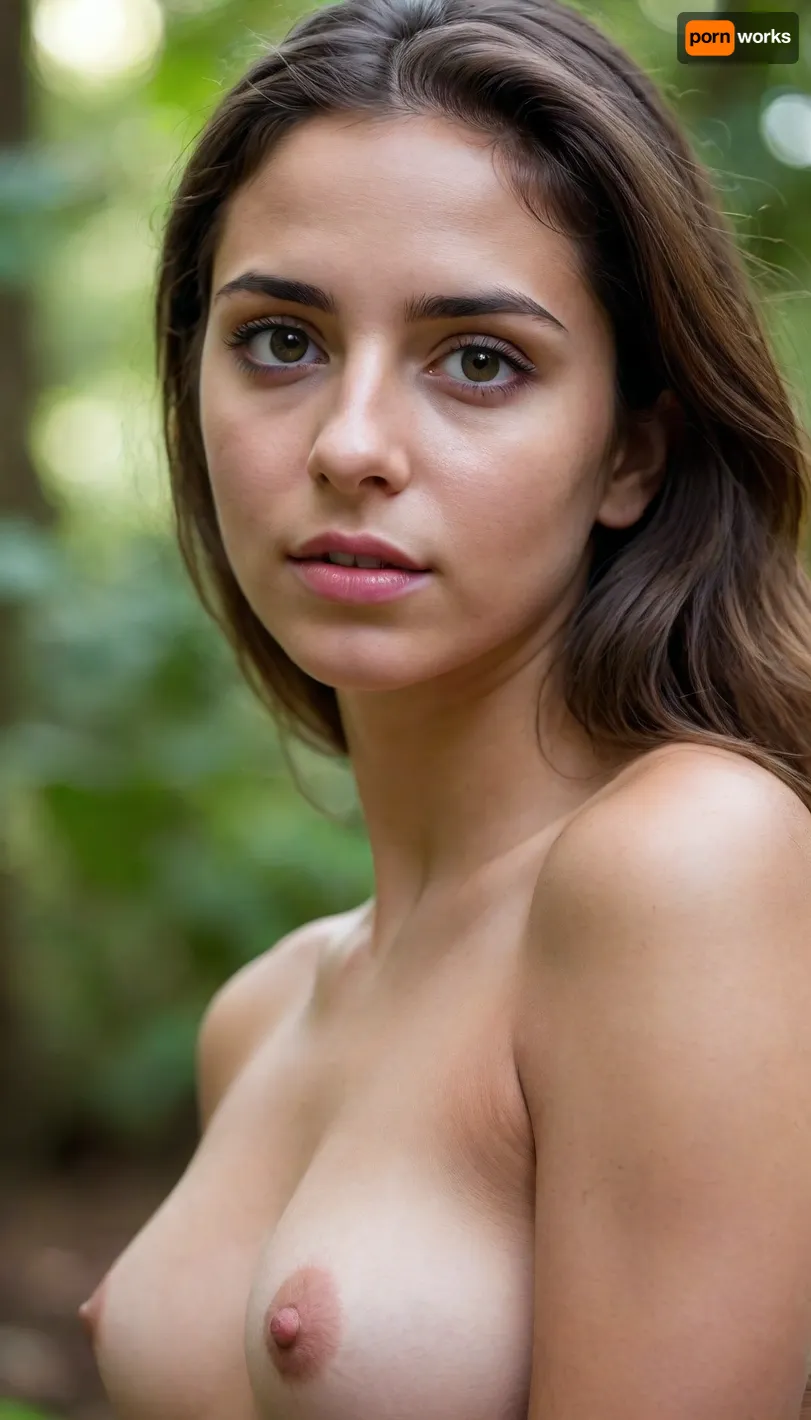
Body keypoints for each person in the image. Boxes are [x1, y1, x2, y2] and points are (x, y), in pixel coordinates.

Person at [78, 0, 811, 1415]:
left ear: (632, 456)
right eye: (279, 340)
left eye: (477, 360)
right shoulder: (264, 1010)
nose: (351, 445)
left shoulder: (686, 866)